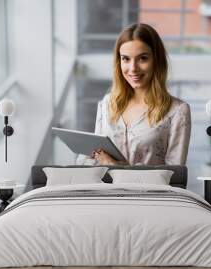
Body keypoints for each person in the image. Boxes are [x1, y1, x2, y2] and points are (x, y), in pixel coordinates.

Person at [77, 23, 191, 166]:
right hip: (102, 188)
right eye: (126, 59)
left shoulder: (177, 111)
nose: (133, 68)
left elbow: (175, 177)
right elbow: (94, 158)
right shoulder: (107, 104)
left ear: (157, 60)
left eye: (143, 58)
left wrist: (115, 166)